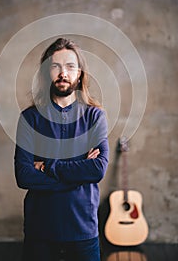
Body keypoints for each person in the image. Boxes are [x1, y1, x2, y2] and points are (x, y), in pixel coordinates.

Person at [14, 37, 109, 261]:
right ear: (46, 72)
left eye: (70, 66)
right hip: (41, 234)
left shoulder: (95, 117)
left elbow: (97, 170)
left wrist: (48, 166)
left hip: (83, 232)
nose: (62, 73)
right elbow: (24, 176)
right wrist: (78, 173)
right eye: (55, 66)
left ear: (80, 73)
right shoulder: (29, 118)